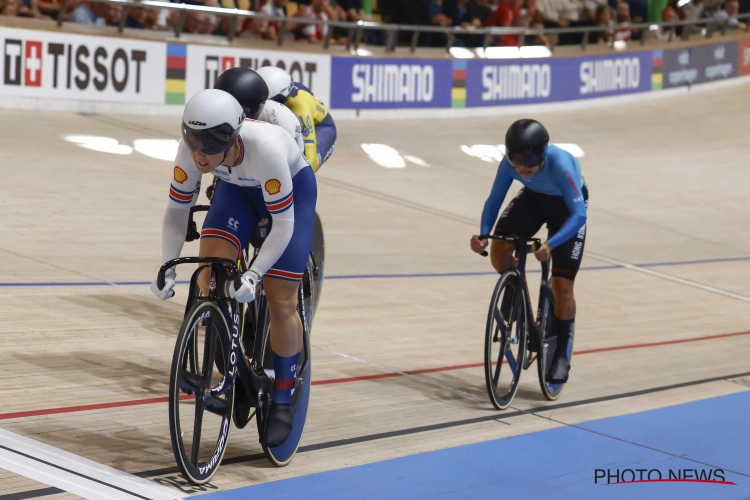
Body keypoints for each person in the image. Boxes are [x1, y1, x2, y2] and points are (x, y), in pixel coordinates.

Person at [151, 89, 317, 446]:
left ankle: (283, 399)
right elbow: (177, 212)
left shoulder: (267, 149)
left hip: (291, 198)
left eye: (211, 145)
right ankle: (232, 353)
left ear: (233, 136)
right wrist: (167, 265)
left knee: (279, 297)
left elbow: (282, 226)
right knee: (210, 270)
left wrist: (255, 275)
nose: (200, 153)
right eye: (193, 140)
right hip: (237, 191)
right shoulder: (192, 153)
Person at [469, 119, 588, 384]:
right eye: (517, 165)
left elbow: (579, 214)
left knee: (563, 285)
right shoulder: (510, 164)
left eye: (529, 167)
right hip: (533, 200)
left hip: (567, 211)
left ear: (542, 156)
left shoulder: (560, 165)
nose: (522, 170)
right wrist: (483, 235)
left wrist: (551, 244)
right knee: (499, 250)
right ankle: (515, 286)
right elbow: (494, 200)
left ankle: (561, 354)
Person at [256, 66, 336, 172]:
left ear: (281, 98)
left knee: (306, 166)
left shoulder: (301, 105)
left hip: (321, 127)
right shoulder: (279, 89)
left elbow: (310, 160)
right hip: (291, 122)